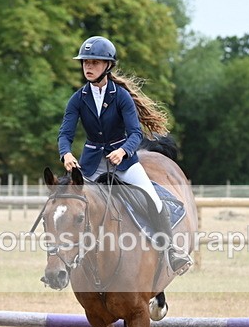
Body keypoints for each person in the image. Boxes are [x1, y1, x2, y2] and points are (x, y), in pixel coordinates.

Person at [57, 35, 192, 275]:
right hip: (91, 164)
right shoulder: (78, 99)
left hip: (124, 162)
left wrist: (123, 151)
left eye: (94, 62)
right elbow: (65, 134)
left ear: (108, 65)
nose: (88, 67)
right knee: (67, 204)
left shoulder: (121, 96)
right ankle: (62, 260)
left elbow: (135, 133)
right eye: (85, 62)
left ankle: (171, 251)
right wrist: (66, 154)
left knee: (153, 199)